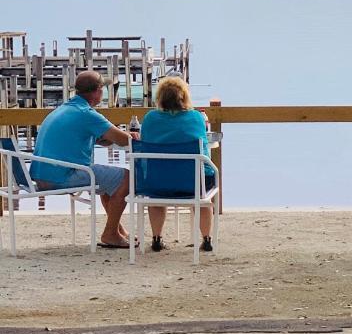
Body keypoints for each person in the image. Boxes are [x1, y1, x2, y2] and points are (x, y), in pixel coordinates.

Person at [30, 71, 137, 248]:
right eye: (103, 88)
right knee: (126, 178)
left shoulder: (66, 108)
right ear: (97, 91)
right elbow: (124, 140)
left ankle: (116, 230)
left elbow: (95, 137)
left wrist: (106, 136)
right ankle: (110, 234)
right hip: (61, 176)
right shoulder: (86, 113)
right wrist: (135, 135)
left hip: (42, 175)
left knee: (108, 180)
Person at [139, 76, 215, 253]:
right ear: (184, 97)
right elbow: (204, 147)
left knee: (156, 197)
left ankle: (157, 238)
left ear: (160, 98)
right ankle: (206, 239)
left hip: (158, 182)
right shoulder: (196, 117)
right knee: (203, 198)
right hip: (193, 183)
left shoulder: (150, 118)